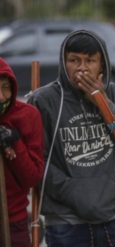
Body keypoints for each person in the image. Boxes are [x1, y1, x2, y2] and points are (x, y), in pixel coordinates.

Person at [28, 30, 115, 246]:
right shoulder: (44, 100)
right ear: (63, 62)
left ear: (102, 65)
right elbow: (39, 162)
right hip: (66, 222)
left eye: (90, 61)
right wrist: (74, 193)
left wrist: (103, 102)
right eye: (74, 60)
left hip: (114, 217)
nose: (82, 68)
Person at [0, 58, 44, 246]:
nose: (1, 97)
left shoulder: (27, 116)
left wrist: (14, 142)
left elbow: (32, 178)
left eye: (5, 87)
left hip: (14, 223)